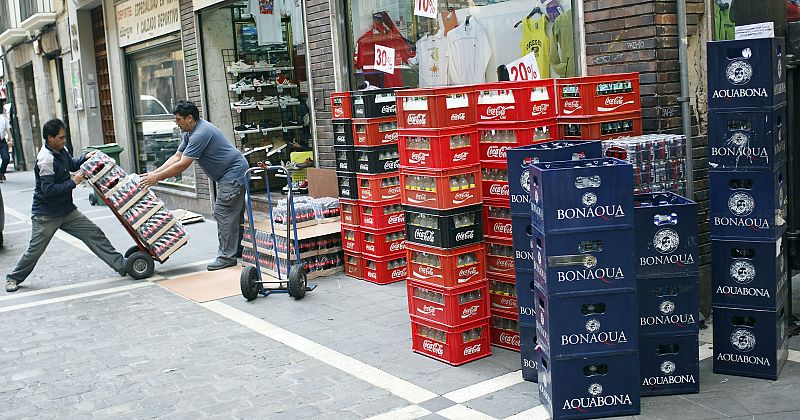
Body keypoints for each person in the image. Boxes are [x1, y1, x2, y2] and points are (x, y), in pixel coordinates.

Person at [6, 119, 128, 293]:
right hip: (46, 215)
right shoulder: (45, 160)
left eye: (65, 137)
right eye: (61, 138)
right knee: (34, 251)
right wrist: (74, 182)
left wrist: (85, 158)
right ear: (50, 138)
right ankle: (13, 278)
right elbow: (48, 190)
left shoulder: (60, 150)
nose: (65, 141)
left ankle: (122, 265)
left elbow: (71, 164)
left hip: (67, 211)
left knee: (95, 234)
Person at [140, 100, 248, 271]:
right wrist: (154, 174)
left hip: (233, 174)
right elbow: (176, 157)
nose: (176, 123)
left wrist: (157, 178)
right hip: (231, 174)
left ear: (189, 118)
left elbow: (183, 164)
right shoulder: (190, 133)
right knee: (232, 214)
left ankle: (227, 256)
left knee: (223, 212)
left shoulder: (200, 134)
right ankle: (238, 250)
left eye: (178, 119)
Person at [0, 103, 12, 182]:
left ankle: (1, 172)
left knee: (6, 158)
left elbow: (8, 129)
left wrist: (11, 139)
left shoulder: (2, 118)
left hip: (2, 140)